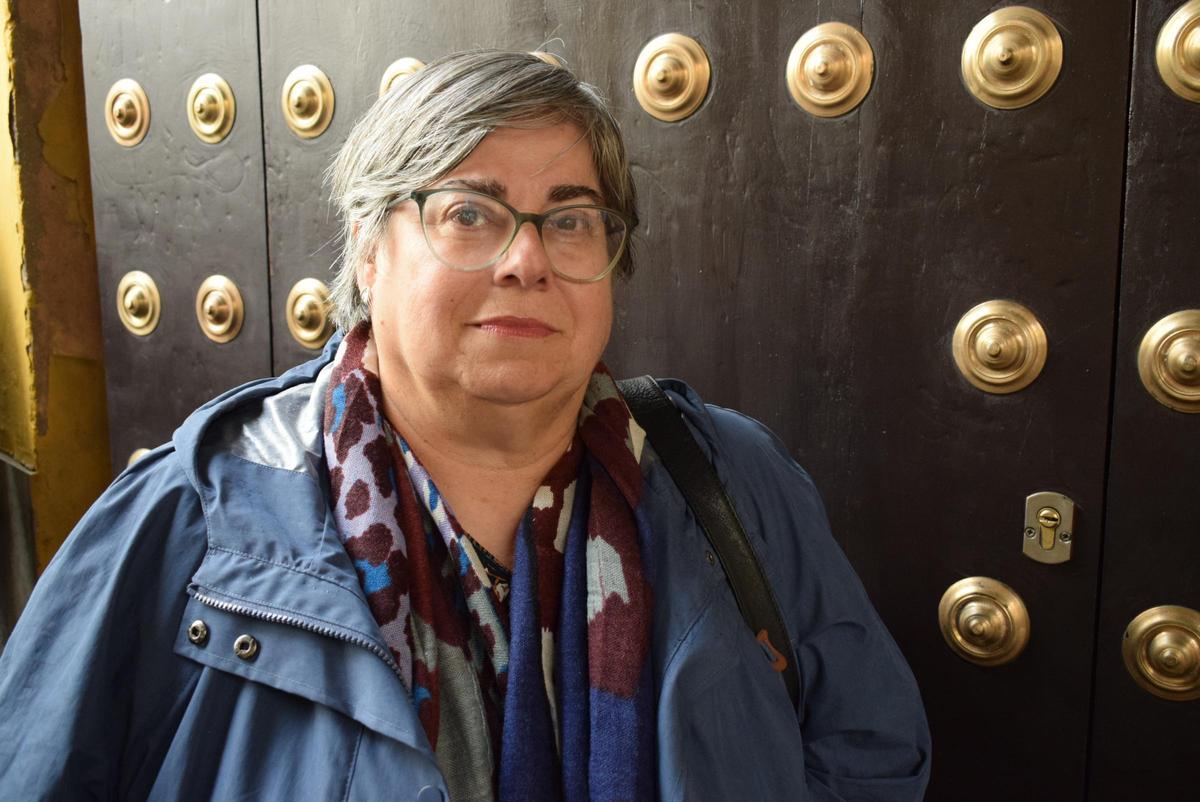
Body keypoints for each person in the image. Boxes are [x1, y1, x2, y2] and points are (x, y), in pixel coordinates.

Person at [0, 50, 930, 801]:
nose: (528, 258)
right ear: (370, 246)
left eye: (571, 221)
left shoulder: (725, 473)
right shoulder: (198, 513)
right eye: (470, 213)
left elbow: (869, 747)